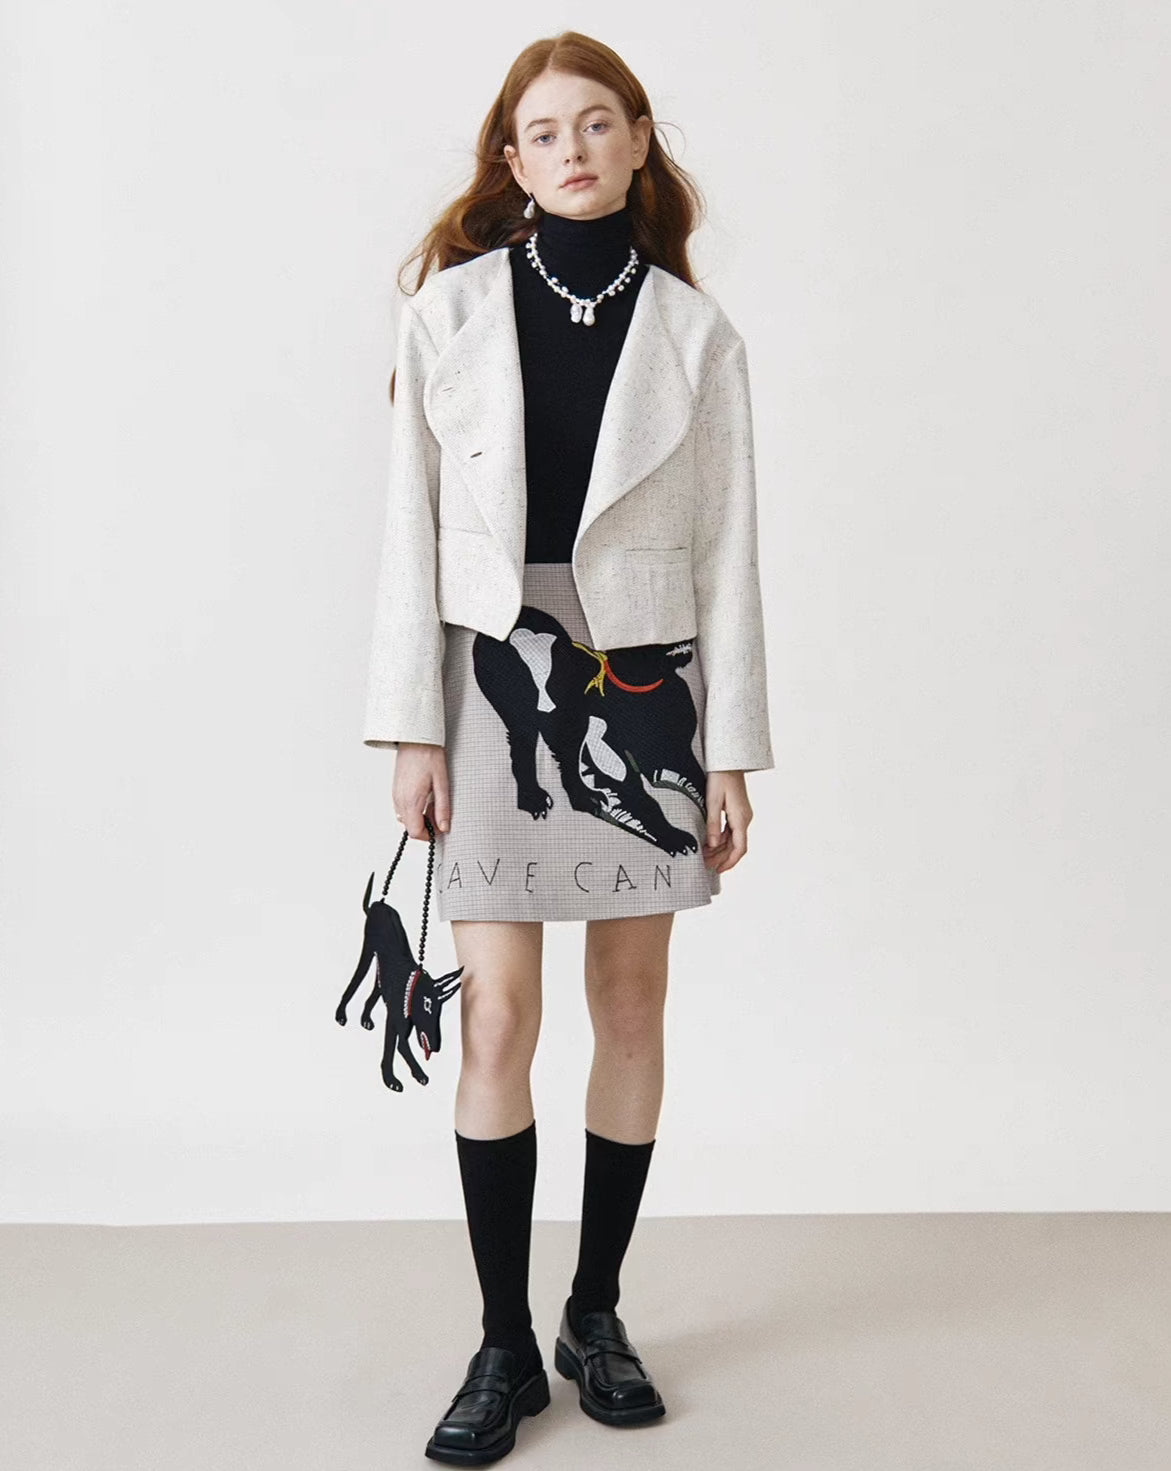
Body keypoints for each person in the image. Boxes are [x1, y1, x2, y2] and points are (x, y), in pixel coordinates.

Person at [362, 28, 774, 1466]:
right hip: (492, 674)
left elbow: (730, 555)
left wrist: (732, 753)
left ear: (640, 141)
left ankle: (594, 1313)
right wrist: (410, 727)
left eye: (598, 122)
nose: (574, 148)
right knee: (496, 1014)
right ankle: (503, 1342)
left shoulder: (698, 336)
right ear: (513, 159)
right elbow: (407, 532)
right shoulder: (449, 315)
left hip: (646, 678)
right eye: (544, 131)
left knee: (633, 1003)